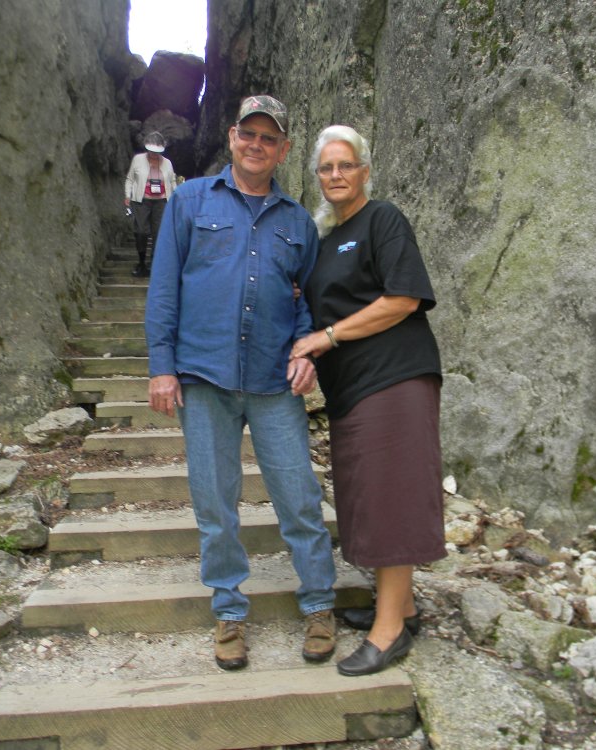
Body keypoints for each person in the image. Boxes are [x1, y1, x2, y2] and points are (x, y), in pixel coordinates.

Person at [145, 95, 338, 671]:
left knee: (299, 497)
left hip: (274, 380)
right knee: (215, 500)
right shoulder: (188, 201)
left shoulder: (298, 222)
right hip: (203, 376)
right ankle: (229, 612)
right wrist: (161, 365)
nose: (257, 144)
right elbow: (165, 286)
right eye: (248, 134)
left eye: (269, 138)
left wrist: (308, 352)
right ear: (232, 137)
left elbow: (309, 302)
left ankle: (319, 604)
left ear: (283, 149)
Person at [290, 124, 446, 677]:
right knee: (369, 495)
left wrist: (326, 339)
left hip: (396, 377)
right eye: (326, 168)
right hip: (352, 387)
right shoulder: (325, 238)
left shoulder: (383, 220)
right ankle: (399, 605)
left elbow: (403, 298)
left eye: (345, 165)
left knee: (391, 496)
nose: (335, 175)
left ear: (364, 170)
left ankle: (390, 632)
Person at [124, 131, 176, 277]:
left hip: (161, 202)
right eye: (151, 151)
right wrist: (128, 195)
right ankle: (141, 263)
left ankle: (154, 264)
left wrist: (173, 199)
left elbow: (172, 181)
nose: (153, 154)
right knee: (141, 231)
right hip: (141, 201)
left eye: (156, 152)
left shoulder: (167, 163)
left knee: (158, 233)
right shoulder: (138, 160)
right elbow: (130, 179)